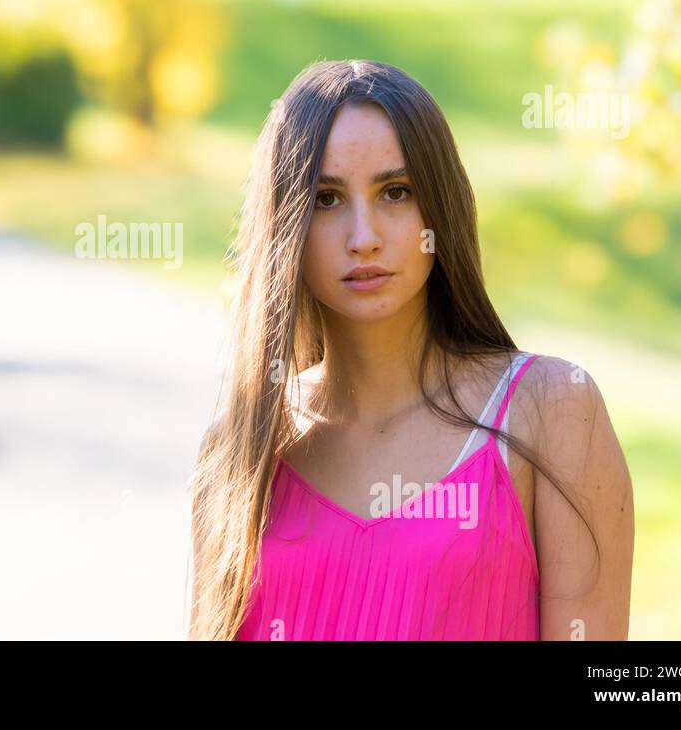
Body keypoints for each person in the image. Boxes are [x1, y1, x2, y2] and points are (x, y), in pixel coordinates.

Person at [187, 59, 634, 641]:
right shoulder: (242, 447)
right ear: (286, 226)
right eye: (326, 199)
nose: (363, 236)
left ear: (438, 210)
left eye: (395, 192)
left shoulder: (549, 412)